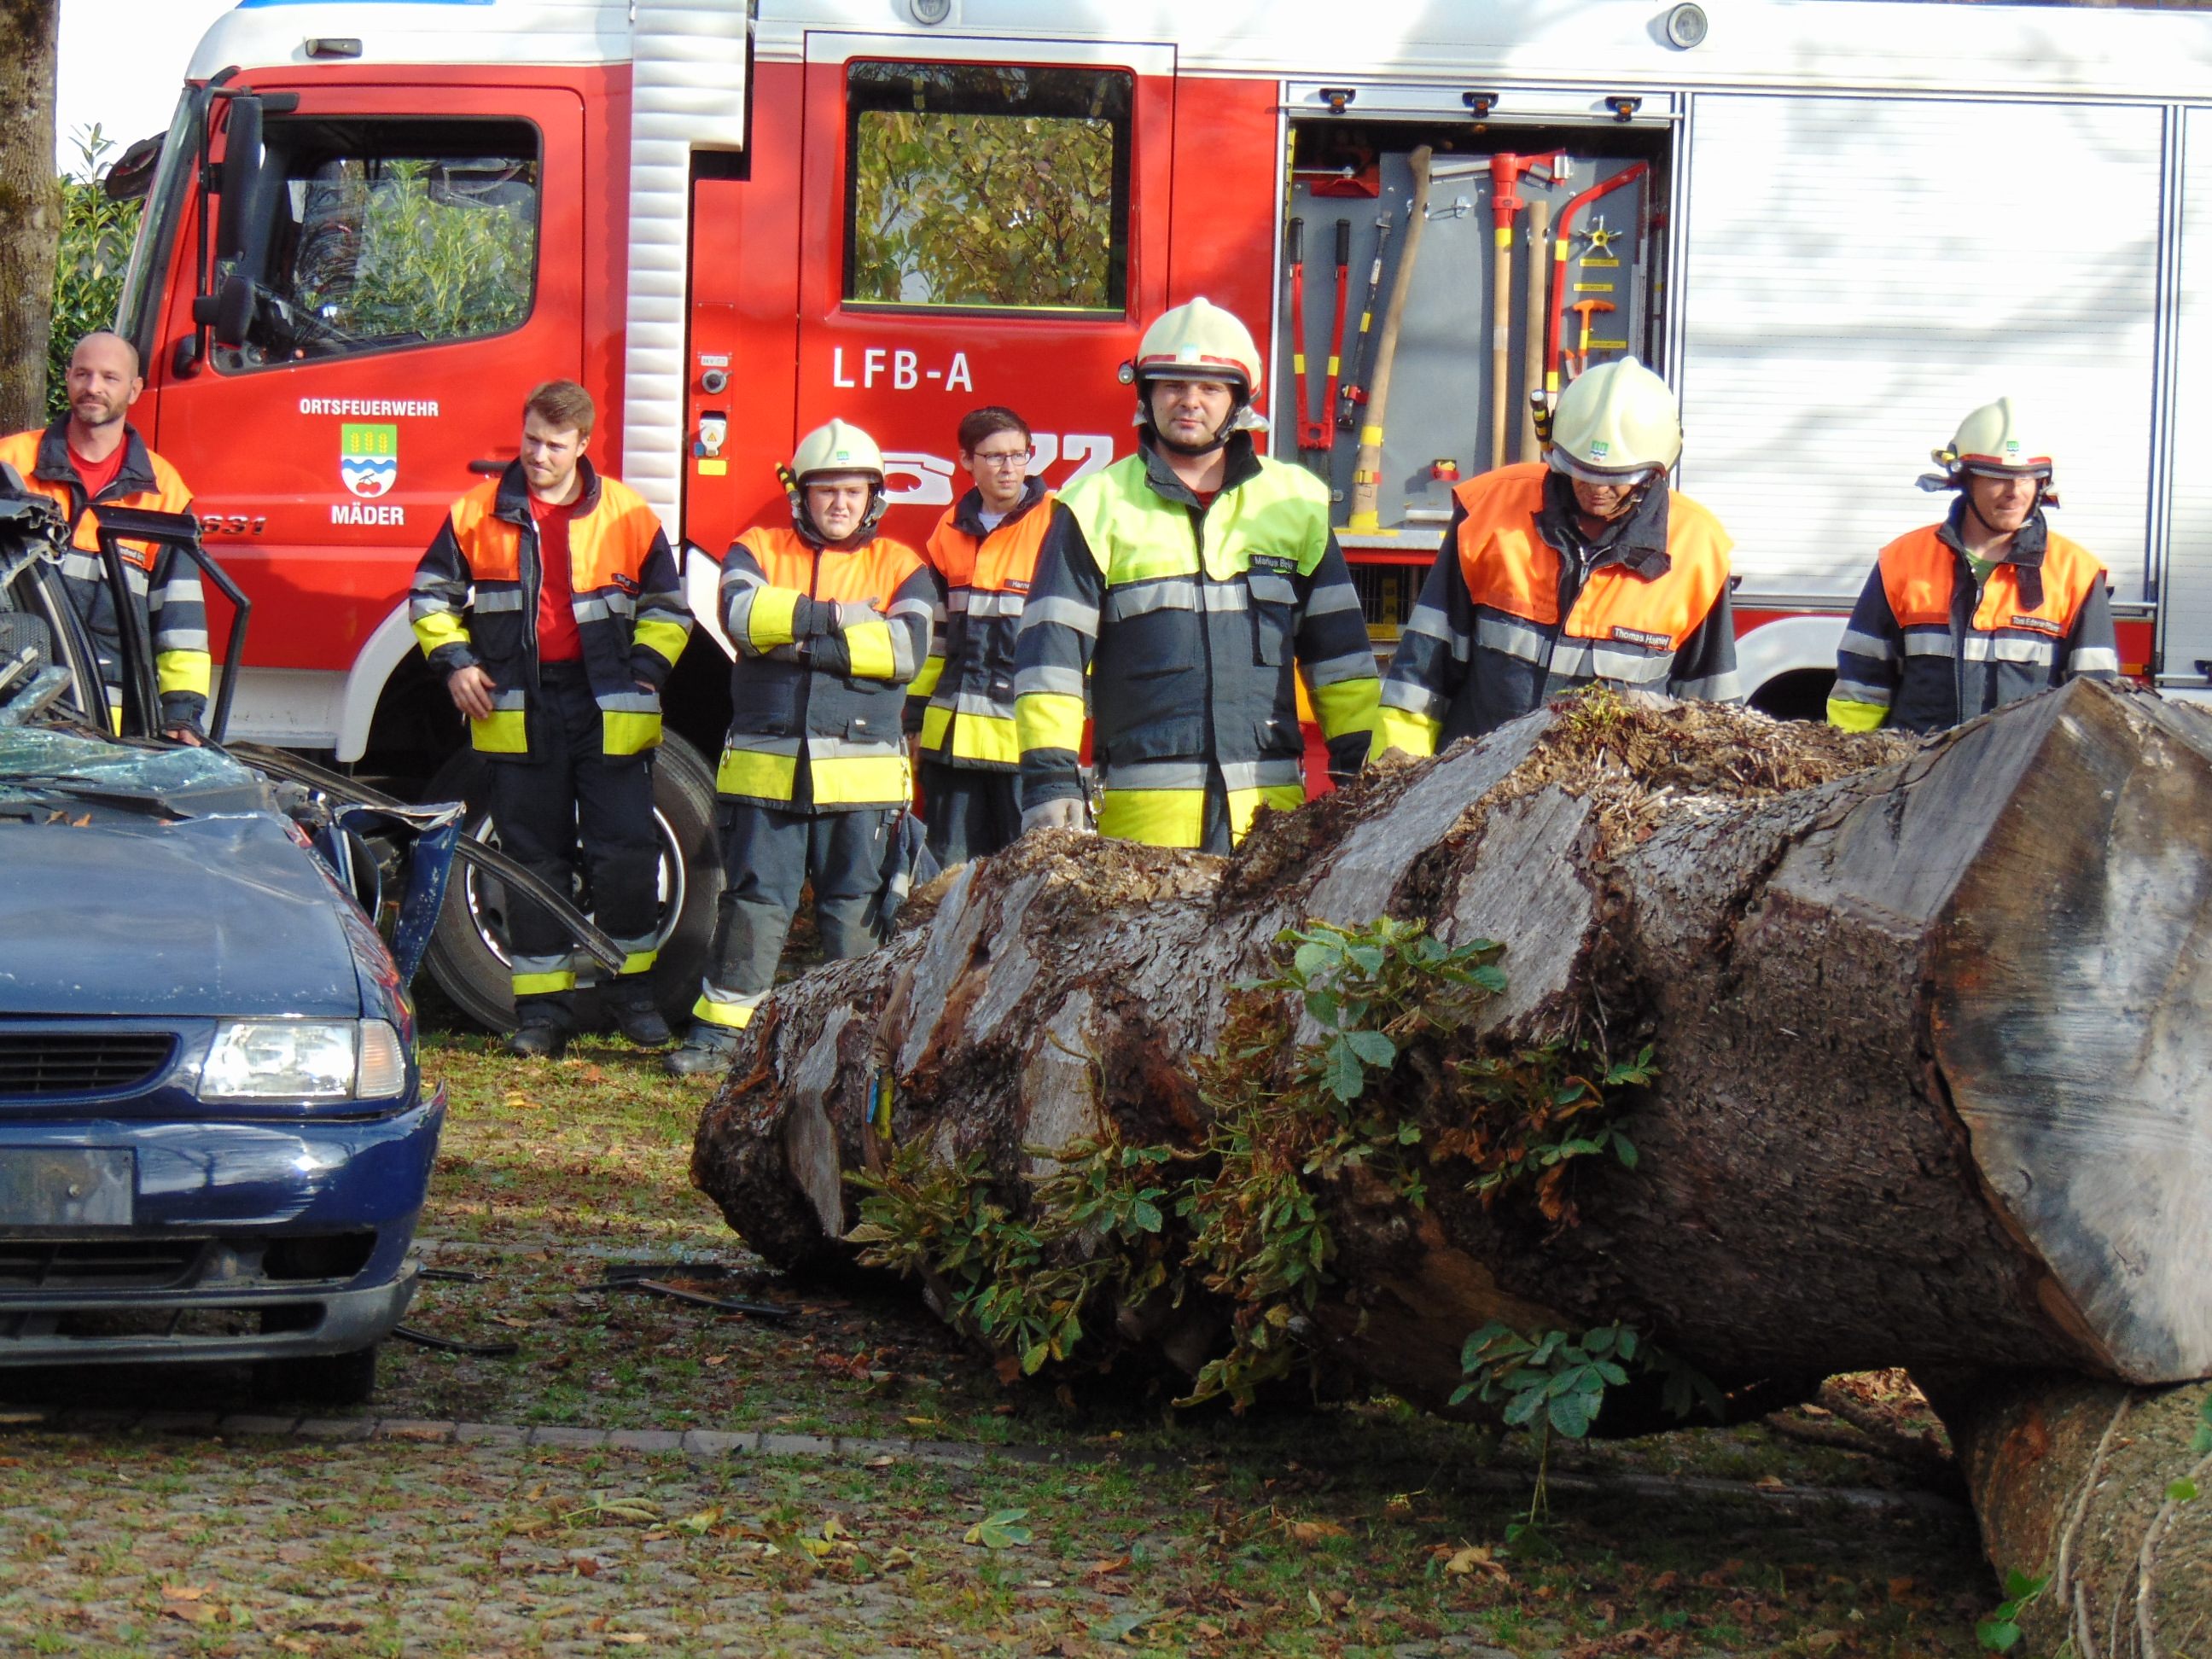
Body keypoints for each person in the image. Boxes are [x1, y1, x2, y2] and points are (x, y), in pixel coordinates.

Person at [1012, 298, 1379, 852]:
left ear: (1239, 399)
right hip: (1140, 839)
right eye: (1172, 386)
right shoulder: (1094, 505)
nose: (1189, 401)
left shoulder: (1295, 504)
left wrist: (1366, 778)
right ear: (1146, 395)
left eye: (1209, 388)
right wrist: (1048, 780)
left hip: (1267, 828)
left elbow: (1341, 664)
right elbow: (1050, 662)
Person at [410, 380, 692, 1058]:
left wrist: (645, 674)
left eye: (554, 445)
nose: (538, 455)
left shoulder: (628, 515)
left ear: (583, 446)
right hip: (520, 707)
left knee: (625, 856)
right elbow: (427, 595)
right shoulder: (478, 512)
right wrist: (455, 662)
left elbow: (670, 609)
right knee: (533, 861)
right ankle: (541, 1014)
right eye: (531, 439)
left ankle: (633, 998)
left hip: (609, 708)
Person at [666, 420, 934, 1076]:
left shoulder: (906, 566)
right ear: (802, 496)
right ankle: (720, 1040)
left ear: (873, 499)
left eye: (852, 491)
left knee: (855, 913)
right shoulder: (754, 546)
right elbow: (738, 620)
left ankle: (852, 1046)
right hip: (766, 775)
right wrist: (842, 620)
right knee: (755, 904)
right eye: (825, 491)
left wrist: (793, 632)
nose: (839, 504)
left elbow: (906, 651)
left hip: (862, 789)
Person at [1376, 357, 1738, 755]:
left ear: (1656, 473)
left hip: (1611, 806)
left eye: (1616, 479)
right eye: (1582, 472)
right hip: (1473, 792)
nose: (1597, 489)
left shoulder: (1695, 548)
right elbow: (1421, 679)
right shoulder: (1490, 513)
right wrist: (1396, 789)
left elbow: (1712, 716)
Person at [1827, 398, 2117, 732]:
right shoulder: (1902, 561)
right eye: (1998, 477)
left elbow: (2096, 708)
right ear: (1965, 479)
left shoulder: (2075, 574)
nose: (2014, 492)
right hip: (1916, 777)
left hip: (2019, 782)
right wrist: (1853, 769)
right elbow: (1861, 688)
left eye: (2027, 478)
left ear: (2042, 484)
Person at [0, 331, 207, 740]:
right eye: (83, 374)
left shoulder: (164, 490)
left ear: (134, 390)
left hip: (109, 723)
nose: (93, 388)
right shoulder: (10, 464)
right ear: (67, 378)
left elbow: (180, 621)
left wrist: (183, 716)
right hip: (15, 709)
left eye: (109, 378)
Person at [905, 406, 1054, 865]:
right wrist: (912, 717)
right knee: (948, 885)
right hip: (953, 748)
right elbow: (934, 639)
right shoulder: (948, 530)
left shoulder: (1058, 522)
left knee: (1026, 883)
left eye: (1018, 455)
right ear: (966, 461)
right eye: (994, 457)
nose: (1009, 467)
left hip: (1025, 745)